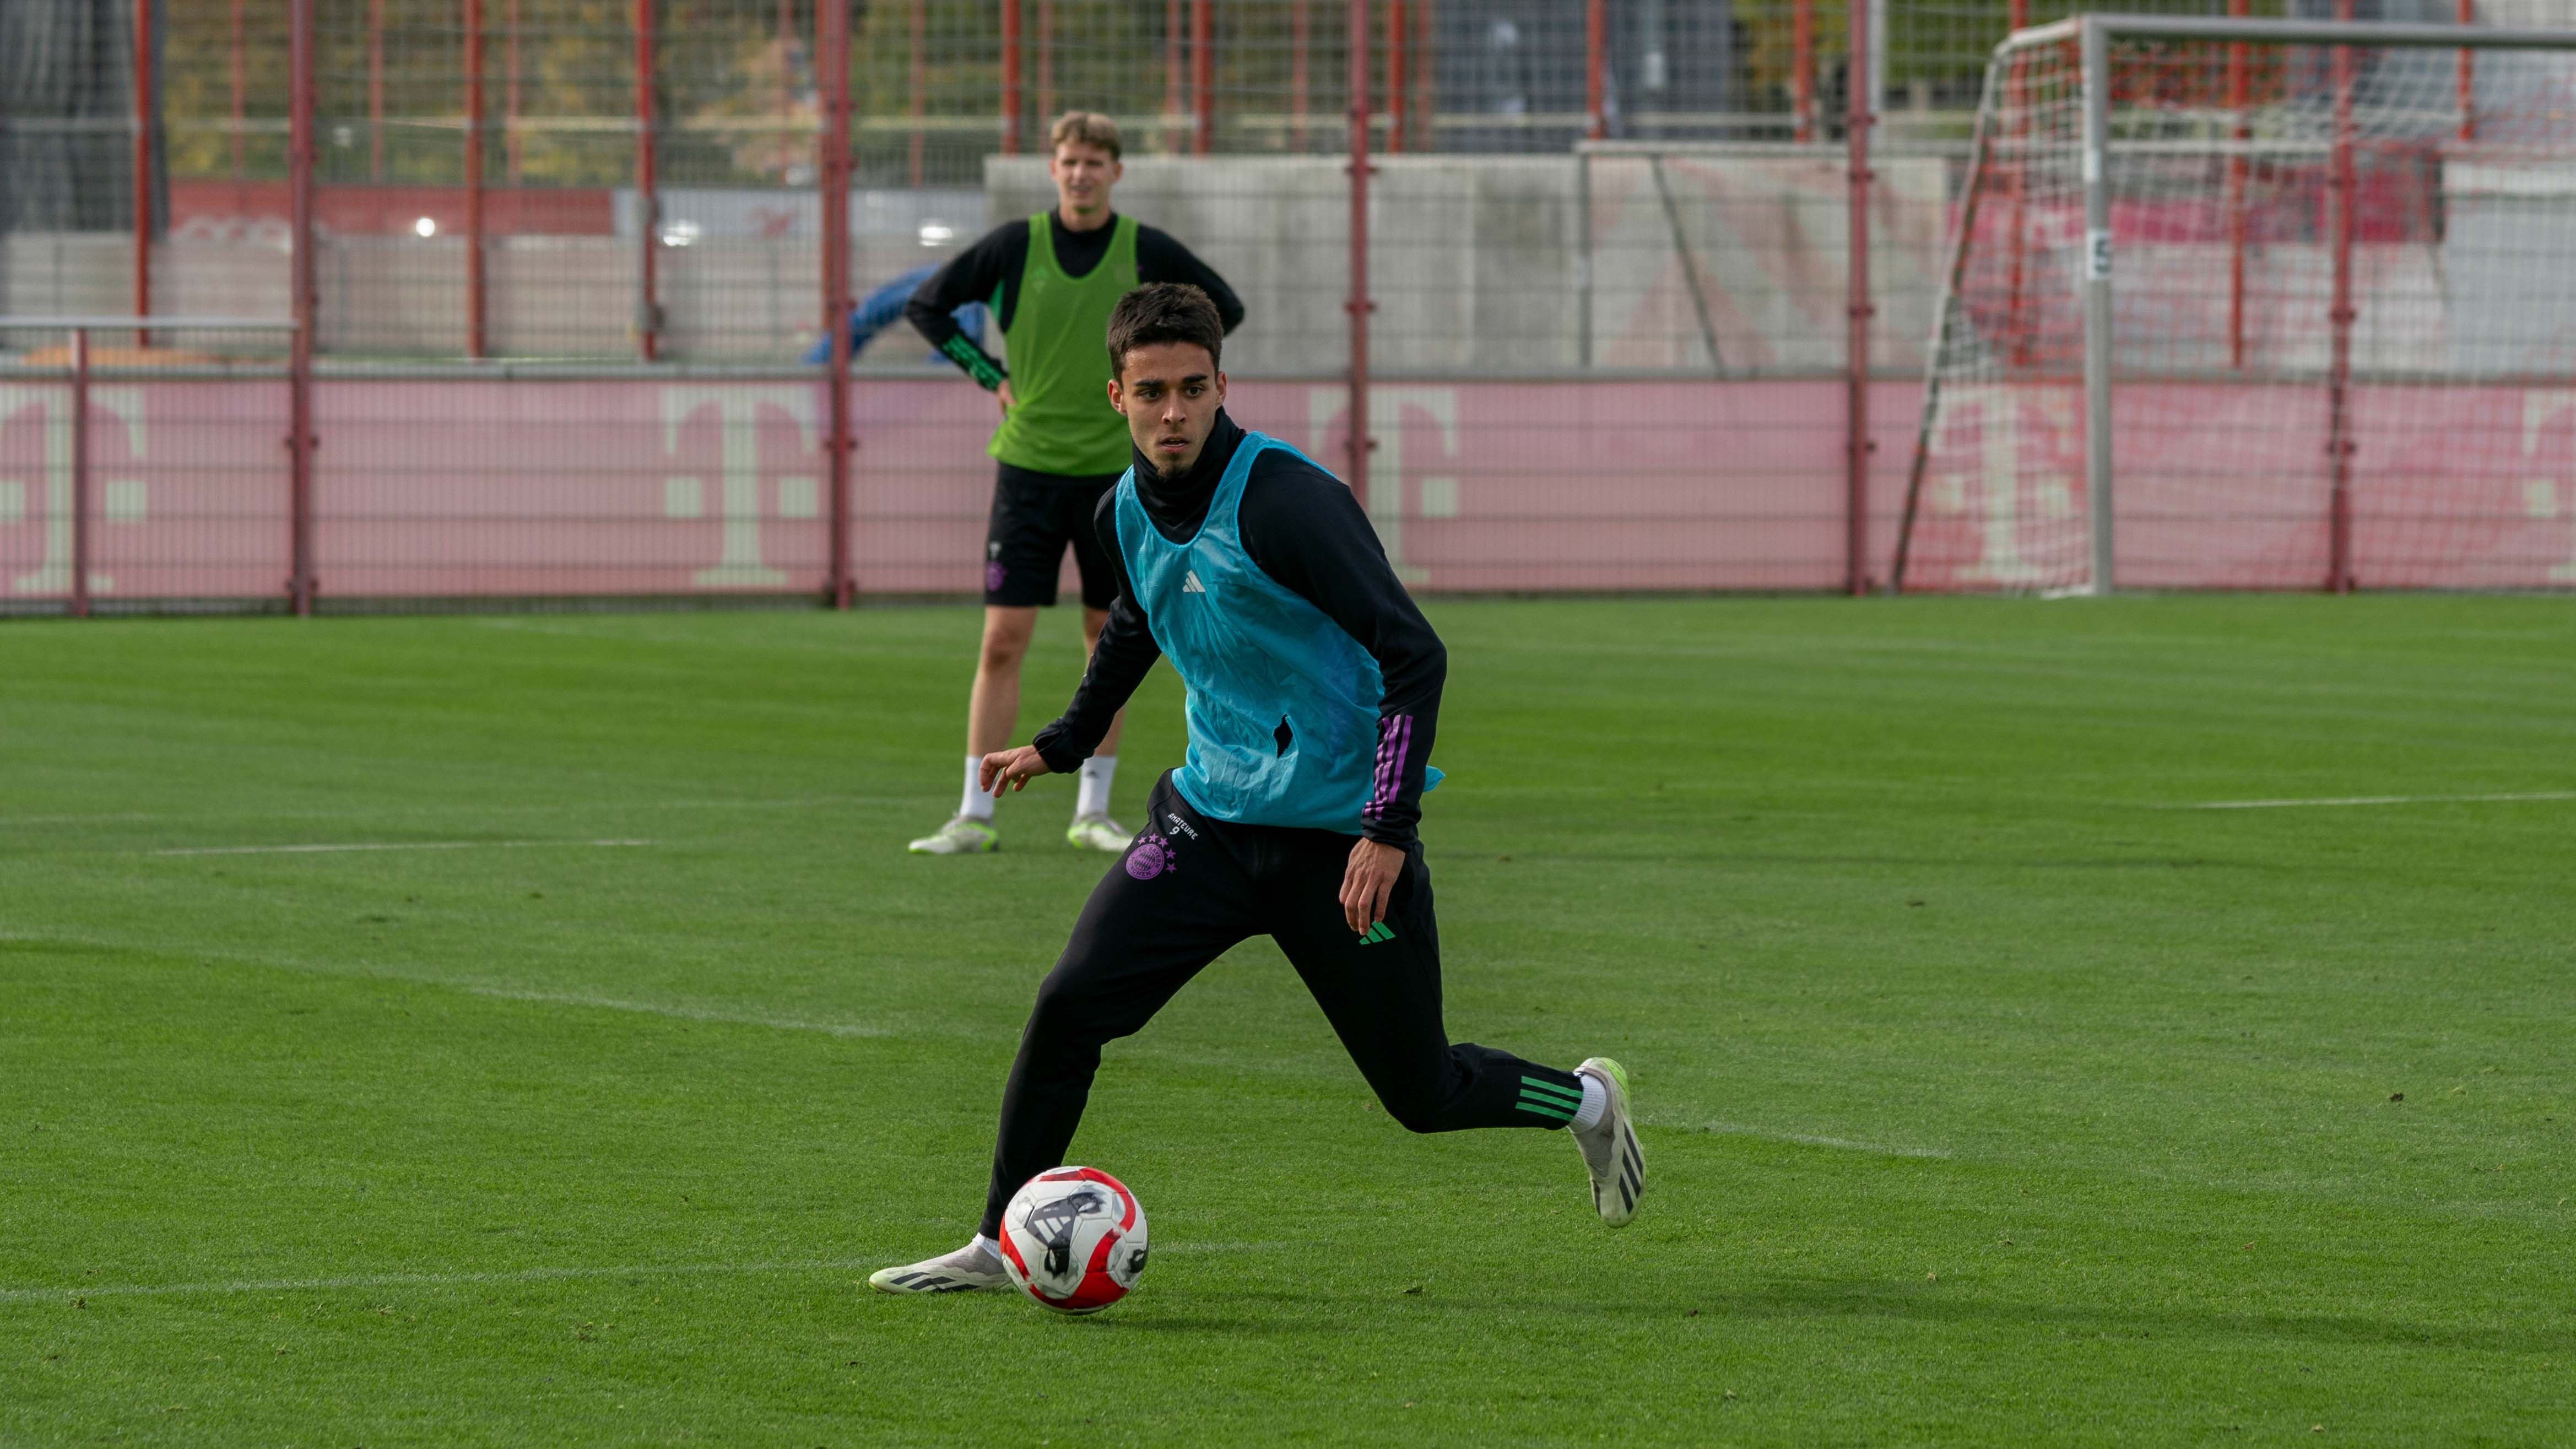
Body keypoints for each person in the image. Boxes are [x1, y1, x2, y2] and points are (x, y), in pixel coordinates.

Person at [867, 284, 1642, 1296]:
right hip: (1208, 827)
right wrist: (1059, 745)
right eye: (1153, 393)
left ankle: (1585, 1101)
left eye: (1194, 388)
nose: (1175, 411)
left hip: (1339, 845)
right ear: (1118, 396)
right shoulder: (1118, 510)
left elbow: (1415, 654)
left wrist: (1387, 827)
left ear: (1223, 384)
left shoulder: (1288, 501)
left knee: (1424, 1091)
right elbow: (1143, 622)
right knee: (1068, 1006)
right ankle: (996, 1240)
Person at [903, 111, 1245, 856]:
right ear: (1052, 169)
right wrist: (988, 373)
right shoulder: (1015, 246)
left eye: (1096, 161)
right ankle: (973, 812)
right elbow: (927, 307)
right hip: (1026, 470)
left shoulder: (1143, 249)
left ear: (1115, 172)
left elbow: (1226, 307)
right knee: (1003, 639)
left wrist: (1168, 383)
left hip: (1114, 481)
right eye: (1070, 160)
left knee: (1108, 638)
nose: (1082, 173)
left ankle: (1092, 809)